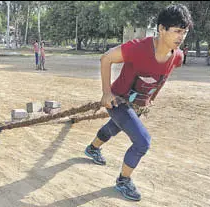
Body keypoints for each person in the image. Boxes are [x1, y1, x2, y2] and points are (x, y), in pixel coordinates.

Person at [83, 4, 193, 201]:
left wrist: (150, 99)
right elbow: (106, 58)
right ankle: (123, 181)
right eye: (177, 31)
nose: (181, 37)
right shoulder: (138, 48)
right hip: (119, 100)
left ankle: (92, 148)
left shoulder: (177, 56)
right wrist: (106, 93)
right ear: (161, 29)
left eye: (184, 32)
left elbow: (162, 79)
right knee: (142, 142)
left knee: (114, 127)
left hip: (138, 104)